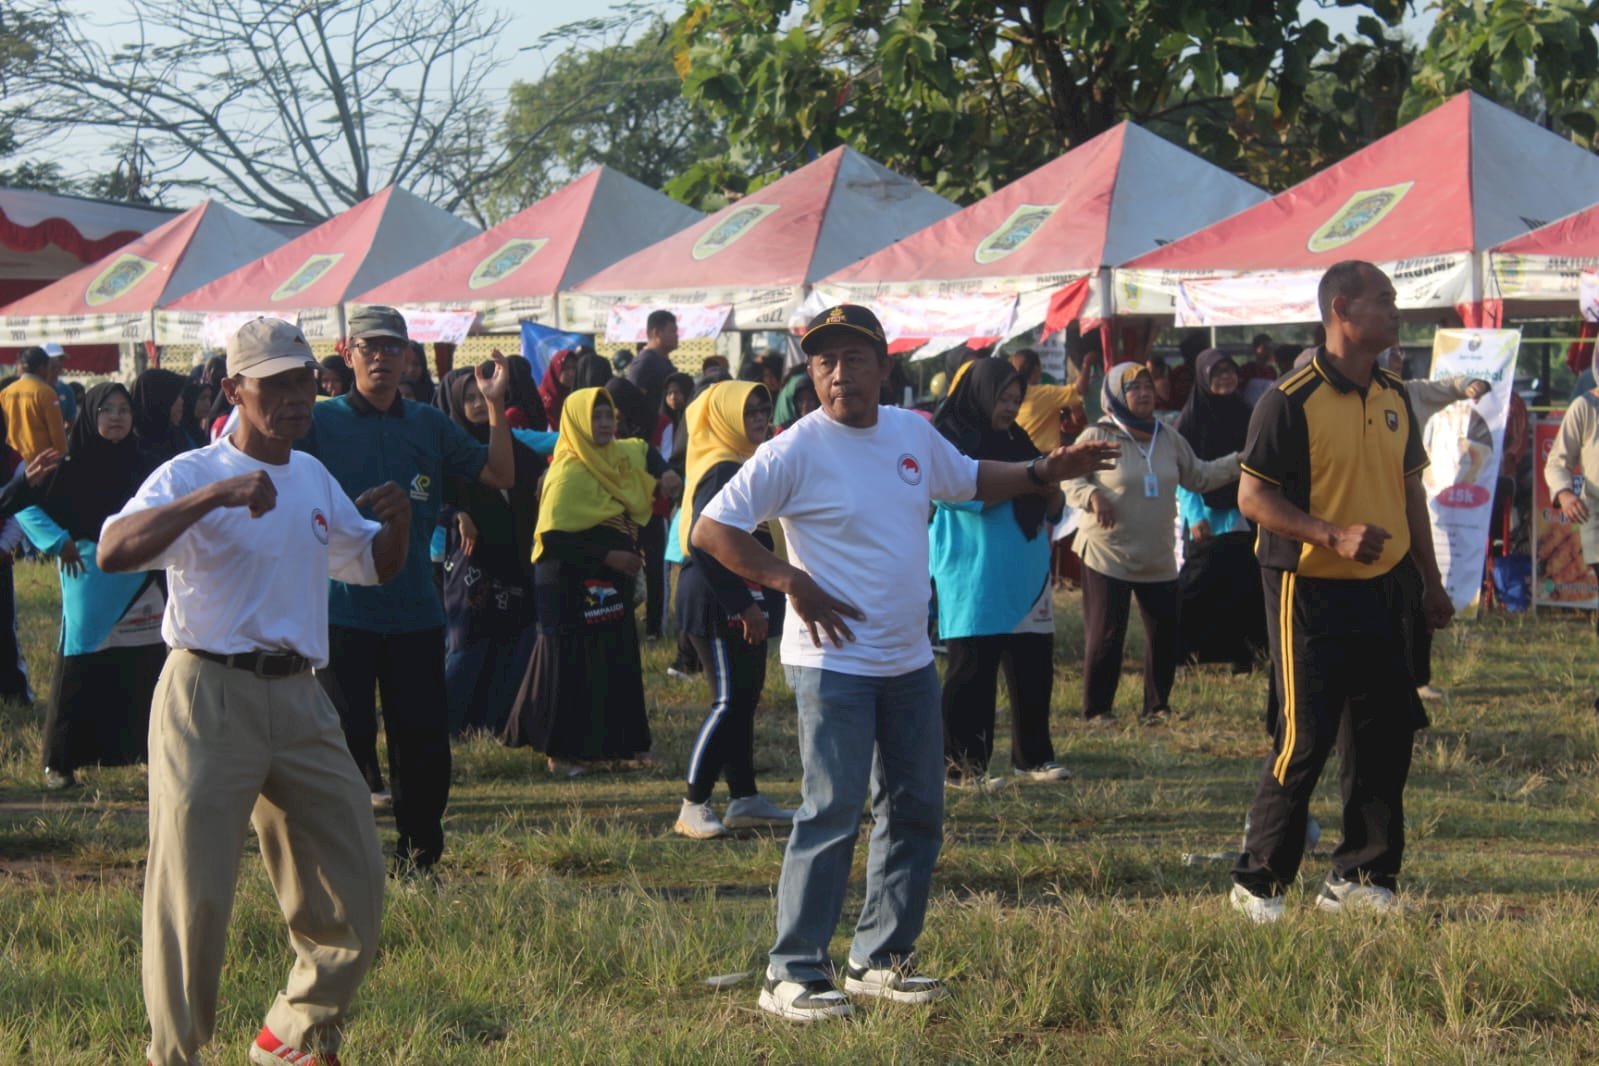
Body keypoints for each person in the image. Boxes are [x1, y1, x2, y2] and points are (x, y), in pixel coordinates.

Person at [691, 304, 1119, 1021]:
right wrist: (791, 582)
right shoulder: (794, 448)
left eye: (853, 359)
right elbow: (711, 529)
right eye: (823, 361)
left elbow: (969, 478)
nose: (837, 374)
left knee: (916, 808)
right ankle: (792, 970)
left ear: (883, 367)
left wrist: (1046, 468)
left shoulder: (908, 432)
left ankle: (879, 958)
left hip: (908, 658)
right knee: (831, 810)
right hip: (832, 665)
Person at [98, 316, 409, 1066]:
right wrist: (217, 498)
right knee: (192, 895)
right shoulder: (190, 472)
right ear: (236, 389)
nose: (297, 396)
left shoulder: (313, 476)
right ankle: (175, 1053)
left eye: (304, 380)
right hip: (207, 693)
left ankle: (291, 1035)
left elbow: (371, 564)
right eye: (276, 384)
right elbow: (113, 549)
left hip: (301, 698)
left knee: (357, 881)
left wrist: (397, 524)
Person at [1229, 261, 1452, 924]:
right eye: (1383, 301)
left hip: (1383, 590)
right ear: (1340, 309)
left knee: (1385, 734)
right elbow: (1252, 496)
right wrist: (1329, 534)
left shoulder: (1393, 396)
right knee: (1305, 737)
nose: (1395, 311)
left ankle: (1360, 876)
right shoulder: (1288, 400)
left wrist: (1431, 582)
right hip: (1307, 590)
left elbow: (1410, 491)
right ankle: (1258, 882)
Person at [298, 304, 516, 877]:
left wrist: (494, 405)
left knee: (422, 744)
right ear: (348, 353)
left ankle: (419, 858)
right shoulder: (320, 422)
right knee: (346, 742)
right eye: (370, 347)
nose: (382, 358)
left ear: (408, 356)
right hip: (341, 610)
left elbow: (499, 475)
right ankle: (345, 860)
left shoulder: (428, 423)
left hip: (417, 610)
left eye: (393, 347)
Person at [6, 383, 167, 789]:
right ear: (90, 416)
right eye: (106, 410)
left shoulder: (150, 465)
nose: (116, 417)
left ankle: (147, 755)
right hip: (88, 580)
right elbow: (23, 505)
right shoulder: (69, 467)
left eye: (124, 409)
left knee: (145, 668)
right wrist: (58, 542)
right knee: (79, 667)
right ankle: (60, 763)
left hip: (141, 580)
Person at [1065, 362, 1241, 723]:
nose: (1144, 393)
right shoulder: (1098, 435)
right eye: (1134, 388)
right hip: (1107, 551)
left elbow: (1201, 476)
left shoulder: (1169, 437)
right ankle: (1098, 709)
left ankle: (1157, 707)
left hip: (1157, 553)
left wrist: (1241, 461)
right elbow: (1068, 479)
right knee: (1107, 634)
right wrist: (1093, 497)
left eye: (1148, 386)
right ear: (1116, 395)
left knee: (1164, 632)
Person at [502, 387, 663, 776]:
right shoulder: (569, 470)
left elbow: (644, 448)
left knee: (617, 658)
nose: (606, 424)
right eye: (596, 417)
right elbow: (553, 538)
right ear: (575, 422)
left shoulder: (618, 457)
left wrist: (668, 473)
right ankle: (562, 753)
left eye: (609, 416)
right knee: (569, 664)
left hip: (611, 579)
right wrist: (608, 555)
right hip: (568, 581)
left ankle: (628, 746)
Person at [929, 359, 1070, 785]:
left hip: (1026, 569)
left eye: (1016, 399)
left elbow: (1053, 505)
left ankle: (1033, 757)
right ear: (980, 394)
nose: (1010, 407)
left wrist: (1048, 488)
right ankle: (963, 766)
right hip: (974, 571)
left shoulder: (1018, 439)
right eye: (1003, 398)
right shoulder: (949, 440)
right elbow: (966, 494)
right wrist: (1029, 479)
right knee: (973, 670)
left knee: (1033, 666)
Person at [672, 380, 796, 838]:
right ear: (724, 419)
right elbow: (703, 545)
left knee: (744, 701)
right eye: (749, 413)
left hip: (741, 598)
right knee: (728, 701)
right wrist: (744, 606)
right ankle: (693, 803)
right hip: (717, 599)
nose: (760, 419)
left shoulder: (740, 461)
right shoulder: (723, 468)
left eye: (764, 410)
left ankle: (744, 798)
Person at [438, 368, 544, 736]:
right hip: (472, 566)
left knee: (512, 644)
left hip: (514, 562)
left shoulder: (515, 449)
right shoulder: (449, 452)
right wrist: (456, 514)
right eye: (468, 398)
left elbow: (546, 459)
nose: (477, 405)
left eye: (482, 397)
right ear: (454, 403)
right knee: (467, 646)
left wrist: (548, 477)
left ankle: (494, 723)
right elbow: (427, 495)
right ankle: (445, 727)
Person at [1174, 350, 1265, 673]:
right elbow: (1182, 474)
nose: (1225, 378)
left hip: (1243, 512)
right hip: (1206, 516)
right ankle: (1183, 655)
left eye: (1229, 371)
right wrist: (1194, 514)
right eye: (1217, 374)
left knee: (1242, 585)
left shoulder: (1247, 413)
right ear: (1203, 378)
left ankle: (1242, 655)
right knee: (1198, 586)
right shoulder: (1189, 420)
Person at [1007, 347, 1091, 455]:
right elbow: (1080, 389)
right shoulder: (1046, 393)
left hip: (1018, 457)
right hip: (1045, 458)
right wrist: (1087, 363)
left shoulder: (1010, 394)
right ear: (1037, 369)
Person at [2, 345, 67, 461]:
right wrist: (62, 456)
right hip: (41, 461)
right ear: (42, 367)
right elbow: (57, 433)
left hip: (13, 459)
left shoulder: (6, 392)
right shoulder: (46, 392)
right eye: (48, 366)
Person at [625, 310, 680, 419]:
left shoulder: (663, 360)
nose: (677, 336)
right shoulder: (645, 362)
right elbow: (632, 402)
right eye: (672, 331)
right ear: (657, 333)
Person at [130, 368, 190, 465]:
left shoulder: (177, 438)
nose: (181, 401)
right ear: (159, 400)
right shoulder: (134, 453)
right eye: (176, 396)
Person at [539, 348, 578, 431]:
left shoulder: (576, 395)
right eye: (565, 368)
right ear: (556, 368)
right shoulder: (542, 397)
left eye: (574, 368)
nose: (571, 373)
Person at [43, 343, 76, 424]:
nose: (57, 362)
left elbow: (71, 421)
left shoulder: (66, 390)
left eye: (61, 359)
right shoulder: (30, 388)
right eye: (50, 359)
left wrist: (61, 435)